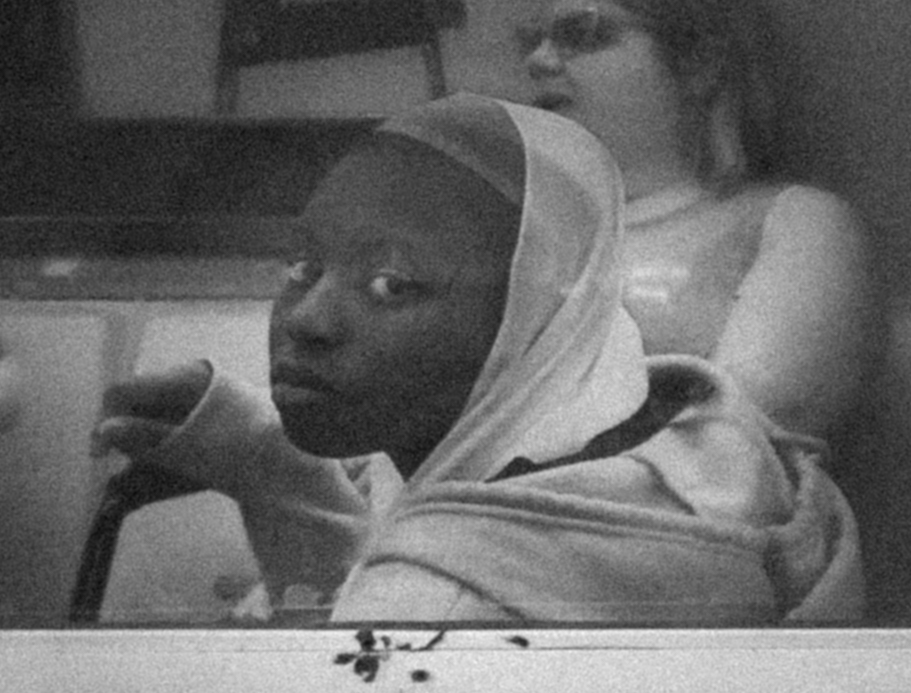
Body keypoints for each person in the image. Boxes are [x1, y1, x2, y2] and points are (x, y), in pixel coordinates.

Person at [92, 96, 863, 626]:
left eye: (393, 284)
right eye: (302, 264)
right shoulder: (704, 460)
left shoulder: (436, 608)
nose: (310, 319)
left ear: (534, 320)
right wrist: (274, 471)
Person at [521, 0, 878, 456]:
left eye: (581, 34)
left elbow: (745, 436)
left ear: (699, 64)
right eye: (532, 42)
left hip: (670, 518)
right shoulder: (518, 234)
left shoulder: (796, 220)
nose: (539, 61)